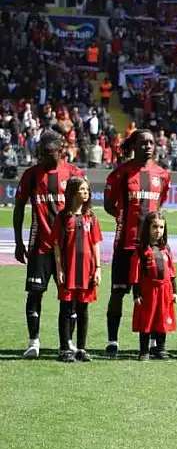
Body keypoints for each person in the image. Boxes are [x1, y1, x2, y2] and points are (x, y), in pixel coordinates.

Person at [13, 130, 84, 359]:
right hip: (39, 246)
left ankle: (69, 342)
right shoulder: (32, 175)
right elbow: (19, 207)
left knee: (69, 296)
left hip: (68, 248)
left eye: (49, 153)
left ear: (60, 152)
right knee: (35, 294)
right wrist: (18, 242)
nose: (43, 157)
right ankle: (34, 342)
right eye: (42, 153)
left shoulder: (73, 174)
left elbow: (84, 208)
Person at [102, 129, 170, 359]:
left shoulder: (162, 174)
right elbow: (109, 205)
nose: (148, 146)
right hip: (125, 244)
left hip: (151, 249)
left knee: (149, 294)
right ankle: (112, 340)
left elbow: (159, 206)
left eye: (151, 143)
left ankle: (150, 342)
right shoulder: (121, 173)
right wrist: (125, 220)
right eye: (143, 143)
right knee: (118, 293)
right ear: (134, 145)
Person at [51, 177, 102, 362]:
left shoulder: (92, 217)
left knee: (83, 310)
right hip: (69, 269)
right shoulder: (63, 217)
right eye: (82, 189)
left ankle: (81, 348)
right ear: (72, 192)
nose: (86, 192)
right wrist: (59, 269)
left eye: (87, 189)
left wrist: (97, 268)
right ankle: (65, 348)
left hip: (87, 270)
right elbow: (56, 245)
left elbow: (96, 243)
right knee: (66, 308)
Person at [130, 211, 177, 361]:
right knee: (146, 320)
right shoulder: (141, 250)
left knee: (162, 319)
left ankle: (160, 349)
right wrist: (136, 294)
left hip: (165, 290)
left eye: (161, 227)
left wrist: (175, 291)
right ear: (148, 229)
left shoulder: (166, 249)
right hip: (148, 291)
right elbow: (135, 275)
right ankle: (144, 351)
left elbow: (171, 272)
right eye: (155, 227)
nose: (158, 231)